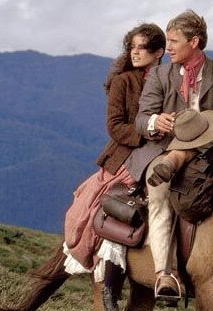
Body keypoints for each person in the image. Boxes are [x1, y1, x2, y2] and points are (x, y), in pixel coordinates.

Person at [129, 10, 213, 301]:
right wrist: (157, 122)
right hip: (162, 147)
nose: (168, 48)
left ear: (195, 42)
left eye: (174, 41)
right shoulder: (159, 74)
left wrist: (208, 123)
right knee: (159, 190)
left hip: (210, 149)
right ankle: (165, 273)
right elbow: (141, 119)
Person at [62, 23, 165, 311]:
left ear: (159, 52)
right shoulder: (124, 82)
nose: (135, 52)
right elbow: (115, 127)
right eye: (132, 47)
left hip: (163, 153)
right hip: (125, 156)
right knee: (122, 207)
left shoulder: (169, 79)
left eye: (142, 47)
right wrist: (148, 133)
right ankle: (109, 285)